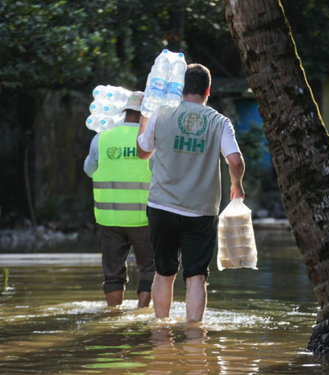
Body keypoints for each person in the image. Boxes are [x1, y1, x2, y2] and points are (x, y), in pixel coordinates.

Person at [136, 63, 245, 323]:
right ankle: (195, 338)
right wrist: (236, 184)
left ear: (180, 89)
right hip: (201, 211)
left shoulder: (161, 114)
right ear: (208, 89)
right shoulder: (220, 122)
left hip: (162, 207)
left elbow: (143, 152)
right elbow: (236, 160)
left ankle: (161, 333)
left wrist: (145, 115)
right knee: (197, 275)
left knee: (164, 272)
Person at [83, 91, 154, 308]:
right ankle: (141, 313)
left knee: (113, 273)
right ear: (146, 114)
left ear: (124, 111)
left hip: (109, 218)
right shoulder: (151, 139)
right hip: (144, 218)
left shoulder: (102, 137)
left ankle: (113, 316)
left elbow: (89, 170)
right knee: (150, 268)